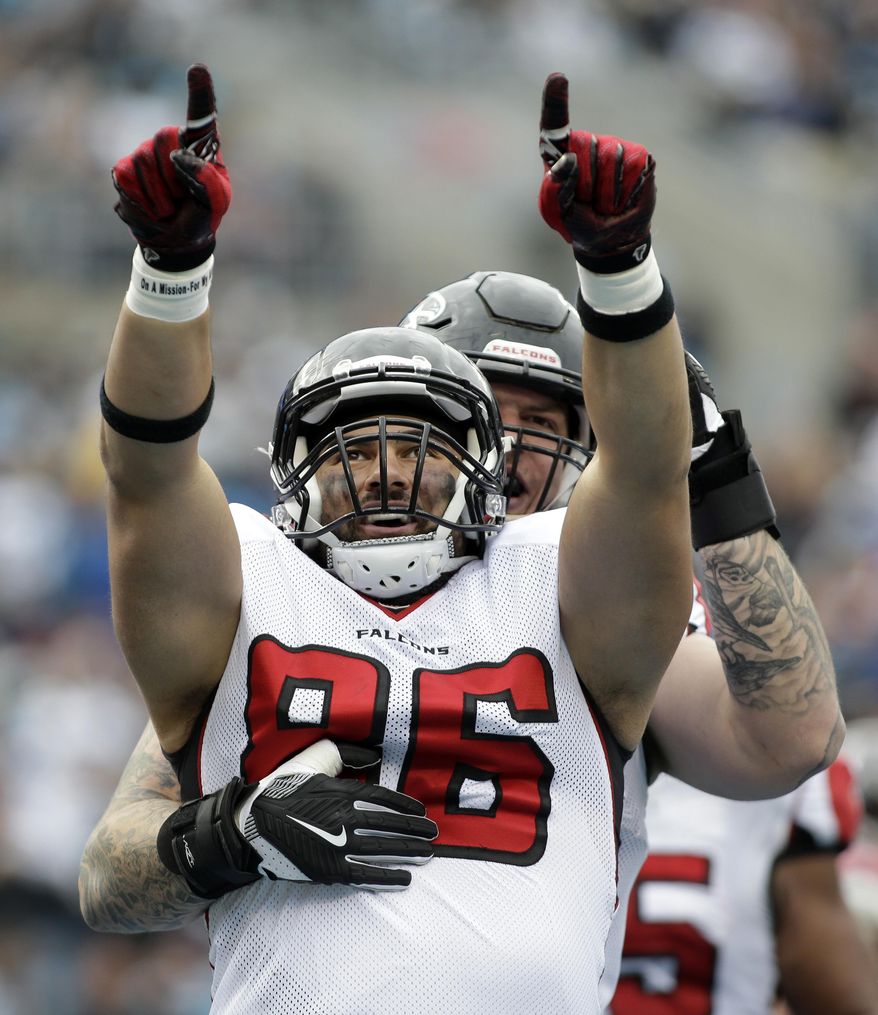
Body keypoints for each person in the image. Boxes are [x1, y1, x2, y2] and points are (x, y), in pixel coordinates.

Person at [92, 63, 697, 1013]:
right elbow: (148, 466)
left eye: (419, 449)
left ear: (486, 475)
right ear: (293, 475)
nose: (382, 472)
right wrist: (171, 272)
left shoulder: (553, 579)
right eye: (349, 450)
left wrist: (621, 265)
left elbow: (655, 471)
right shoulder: (249, 575)